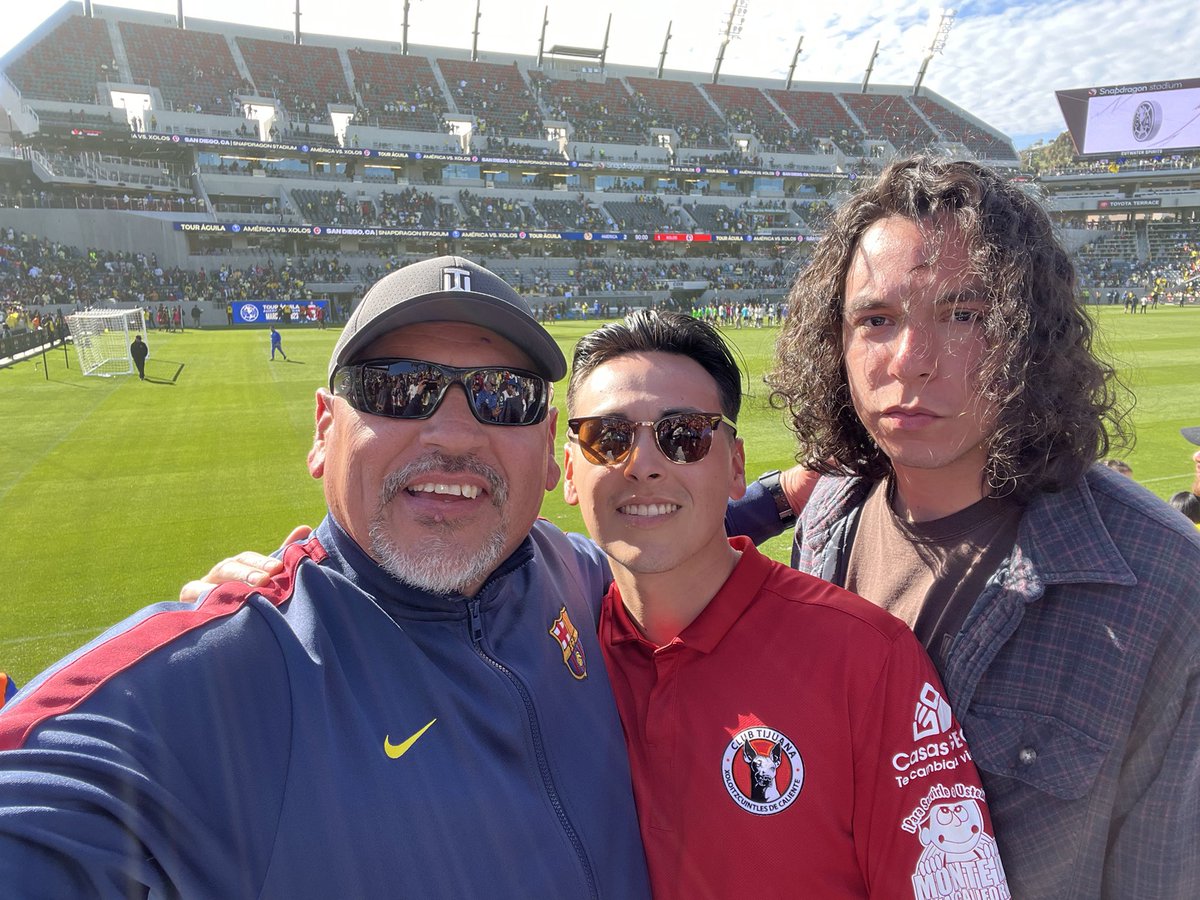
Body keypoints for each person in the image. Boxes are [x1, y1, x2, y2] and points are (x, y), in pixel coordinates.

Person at [0, 257, 651, 898]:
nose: (455, 433)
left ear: (546, 449)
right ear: (322, 429)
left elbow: (694, 542)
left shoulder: (585, 572)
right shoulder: (225, 674)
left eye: (503, 397)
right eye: (396, 387)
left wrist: (756, 502)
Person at [764, 156, 1200, 897]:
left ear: (1031, 338)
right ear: (835, 343)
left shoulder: (1166, 592)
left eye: (964, 316)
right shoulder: (829, 514)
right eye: (877, 319)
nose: (912, 361)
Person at [562, 311, 1009, 898]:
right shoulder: (553, 657)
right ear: (570, 470)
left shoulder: (866, 660)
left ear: (736, 467)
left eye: (684, 436)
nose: (643, 464)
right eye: (609, 438)